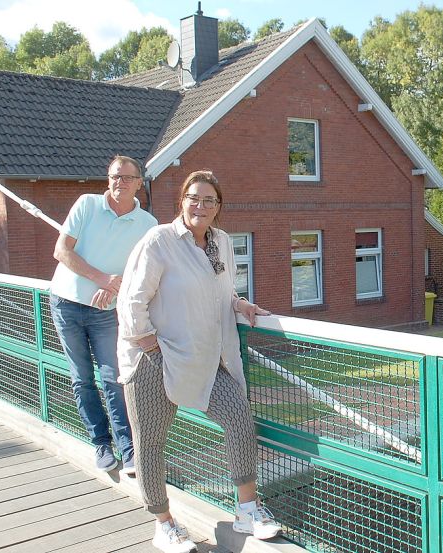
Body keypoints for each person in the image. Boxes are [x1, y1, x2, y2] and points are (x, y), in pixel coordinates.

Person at [116, 170, 281, 552]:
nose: (201, 206)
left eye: (209, 200)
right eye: (194, 198)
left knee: (239, 417)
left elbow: (222, 290)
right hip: (152, 357)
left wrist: (238, 304)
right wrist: (151, 347)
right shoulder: (159, 241)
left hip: (206, 357)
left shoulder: (222, 242)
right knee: (152, 442)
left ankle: (248, 509)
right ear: (182, 201)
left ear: (219, 206)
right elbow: (131, 300)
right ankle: (164, 524)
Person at [50, 155, 157, 475]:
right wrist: (103, 280)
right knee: (82, 378)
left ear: (140, 182)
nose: (119, 183)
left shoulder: (147, 225)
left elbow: (140, 273)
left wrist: (112, 289)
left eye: (126, 178)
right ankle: (100, 443)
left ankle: (129, 450)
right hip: (66, 303)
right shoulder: (86, 204)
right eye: (114, 176)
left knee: (114, 377)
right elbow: (61, 251)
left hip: (106, 311)